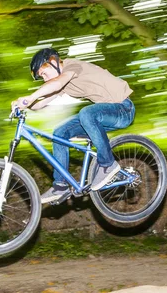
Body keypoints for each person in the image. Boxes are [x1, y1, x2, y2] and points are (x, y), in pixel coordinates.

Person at [12, 48, 135, 204]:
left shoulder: (72, 66)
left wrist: (30, 97)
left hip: (123, 109)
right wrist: (23, 104)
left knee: (86, 113)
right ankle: (60, 185)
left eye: (44, 73)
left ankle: (108, 165)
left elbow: (56, 83)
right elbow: (41, 103)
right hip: (104, 116)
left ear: (53, 62)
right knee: (59, 132)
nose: (44, 79)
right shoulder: (63, 84)